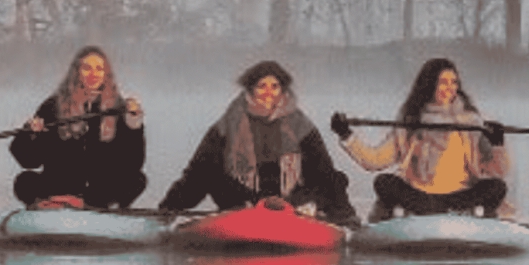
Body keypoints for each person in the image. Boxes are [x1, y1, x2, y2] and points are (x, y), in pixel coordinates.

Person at [157, 60, 359, 227]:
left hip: (288, 199)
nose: (268, 93)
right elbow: (197, 173)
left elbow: (323, 170)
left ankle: (343, 220)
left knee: (335, 179)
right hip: (244, 198)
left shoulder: (301, 126)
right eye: (262, 86)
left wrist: (343, 213)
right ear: (251, 90)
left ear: (283, 91)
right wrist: (170, 206)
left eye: (275, 87)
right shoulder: (228, 124)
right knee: (210, 173)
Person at [330, 57, 511, 223]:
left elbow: (497, 171)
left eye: (454, 82)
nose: (450, 88)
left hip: (461, 196)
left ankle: (448, 212)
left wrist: (497, 144)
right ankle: (441, 213)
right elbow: (375, 161)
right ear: (429, 85)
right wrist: (346, 135)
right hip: (422, 197)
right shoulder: (411, 121)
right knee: (383, 182)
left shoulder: (471, 123)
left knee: (497, 187)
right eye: (443, 83)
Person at [9, 46, 146, 210]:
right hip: (57, 186)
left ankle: (88, 204)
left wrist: (134, 125)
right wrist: (30, 134)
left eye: (99, 69)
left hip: (98, 192)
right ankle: (55, 202)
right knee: (24, 181)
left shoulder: (119, 108)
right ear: (76, 72)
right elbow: (29, 161)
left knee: (137, 180)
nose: (93, 74)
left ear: (106, 74)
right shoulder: (53, 106)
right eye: (87, 68)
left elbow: (133, 163)